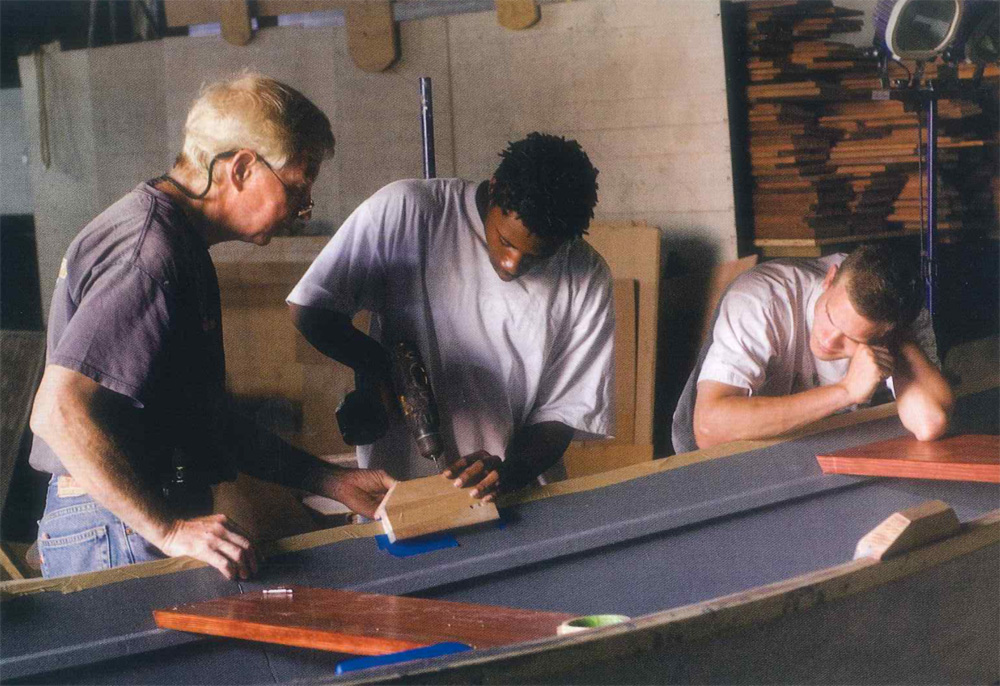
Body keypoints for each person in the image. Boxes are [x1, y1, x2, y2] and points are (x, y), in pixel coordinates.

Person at [28, 74, 395, 581]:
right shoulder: (149, 252)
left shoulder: (177, 245)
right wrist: (170, 530)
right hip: (117, 524)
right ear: (242, 168)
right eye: (297, 187)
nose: (300, 210)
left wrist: (331, 480)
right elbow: (57, 411)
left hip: (131, 516)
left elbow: (209, 422)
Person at [288, 132, 614, 501]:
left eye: (537, 256)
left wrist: (508, 472)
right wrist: (380, 371)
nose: (511, 265)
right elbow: (312, 307)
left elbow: (565, 411)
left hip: (514, 491)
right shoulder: (409, 210)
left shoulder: (587, 274)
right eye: (506, 241)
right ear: (494, 190)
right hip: (401, 486)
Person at [671, 244, 954, 453]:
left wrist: (895, 340)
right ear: (829, 279)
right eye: (830, 317)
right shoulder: (761, 299)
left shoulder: (898, 319)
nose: (829, 340)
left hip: (815, 443)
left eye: (852, 337)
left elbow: (929, 423)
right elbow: (709, 429)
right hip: (719, 453)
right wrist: (845, 391)